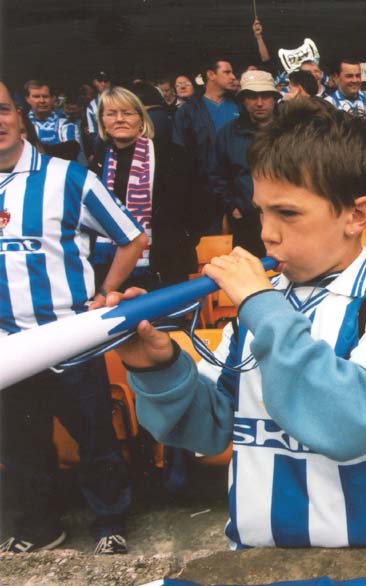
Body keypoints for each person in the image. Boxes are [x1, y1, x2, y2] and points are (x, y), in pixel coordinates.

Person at [107, 98, 366, 549]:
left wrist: (262, 307)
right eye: (261, 212)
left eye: (287, 213)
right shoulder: (260, 309)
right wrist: (159, 368)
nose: (267, 233)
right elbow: (210, 431)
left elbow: (353, 425)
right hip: (258, 556)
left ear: (356, 215)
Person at [0, 81, 148, 555]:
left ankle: (110, 521)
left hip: (67, 338)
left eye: (1, 110)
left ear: (20, 116)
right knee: (21, 447)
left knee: (95, 437)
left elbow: (132, 237)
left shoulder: (67, 177)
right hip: (7, 347)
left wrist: (106, 292)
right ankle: (39, 527)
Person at [90, 85, 196, 291]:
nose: (119, 119)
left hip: (163, 266)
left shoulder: (171, 155)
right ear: (102, 121)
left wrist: (183, 238)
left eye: (127, 113)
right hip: (111, 267)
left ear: (141, 118)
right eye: (111, 113)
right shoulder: (99, 163)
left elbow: (198, 206)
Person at [210, 70, 282, 257]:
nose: (259, 103)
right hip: (247, 223)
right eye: (252, 97)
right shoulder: (228, 134)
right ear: (243, 100)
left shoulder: (290, 130)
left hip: (287, 219)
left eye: (265, 96)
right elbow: (217, 175)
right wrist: (233, 207)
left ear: (274, 98)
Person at [173, 58, 239, 235]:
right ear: (211, 75)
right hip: (204, 195)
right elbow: (181, 155)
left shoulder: (239, 105)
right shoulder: (188, 111)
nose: (233, 77)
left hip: (238, 190)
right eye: (227, 72)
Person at [24, 79, 81, 161]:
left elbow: (71, 151)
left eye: (45, 96)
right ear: (27, 99)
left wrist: (38, 149)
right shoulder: (22, 124)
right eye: (36, 96)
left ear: (53, 99)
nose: (42, 101)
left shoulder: (66, 124)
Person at [325, 58, 366, 133]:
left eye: (358, 76)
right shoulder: (327, 105)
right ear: (337, 77)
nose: (355, 80)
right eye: (349, 76)